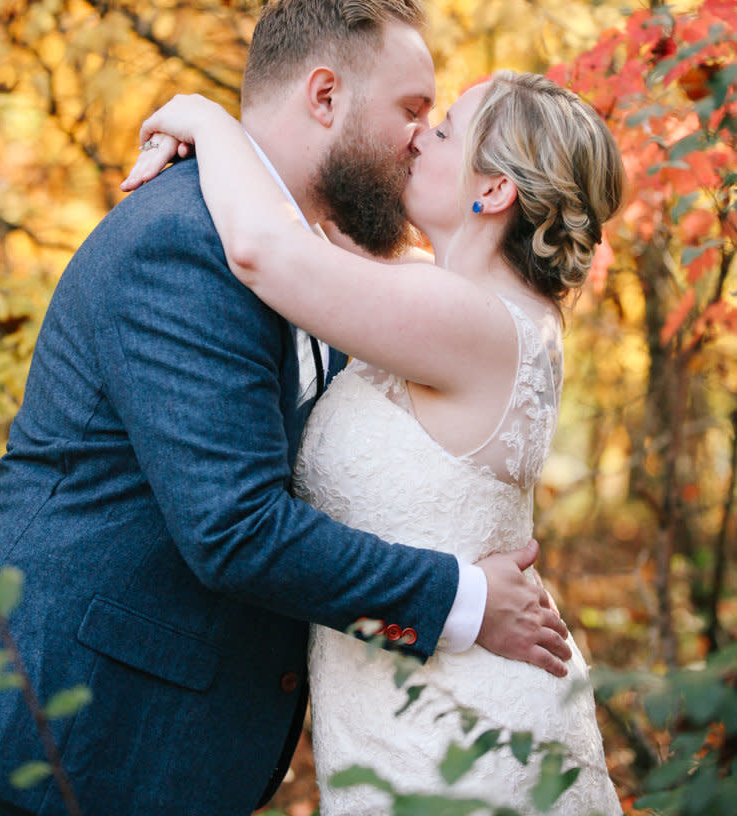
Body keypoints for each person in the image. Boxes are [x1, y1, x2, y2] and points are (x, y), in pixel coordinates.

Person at [0, 0, 569, 816]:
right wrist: (461, 601)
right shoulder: (184, 241)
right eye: (412, 110)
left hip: (163, 738)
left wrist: (201, 117)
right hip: (63, 727)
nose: (420, 140)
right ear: (324, 96)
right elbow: (233, 528)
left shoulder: (318, 260)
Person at [122, 66, 626, 815]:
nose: (421, 134)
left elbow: (267, 252)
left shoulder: (463, 319)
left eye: (446, 128)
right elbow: (317, 240)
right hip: (408, 704)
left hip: (457, 731)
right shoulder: (463, 300)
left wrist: (206, 116)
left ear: (492, 192)